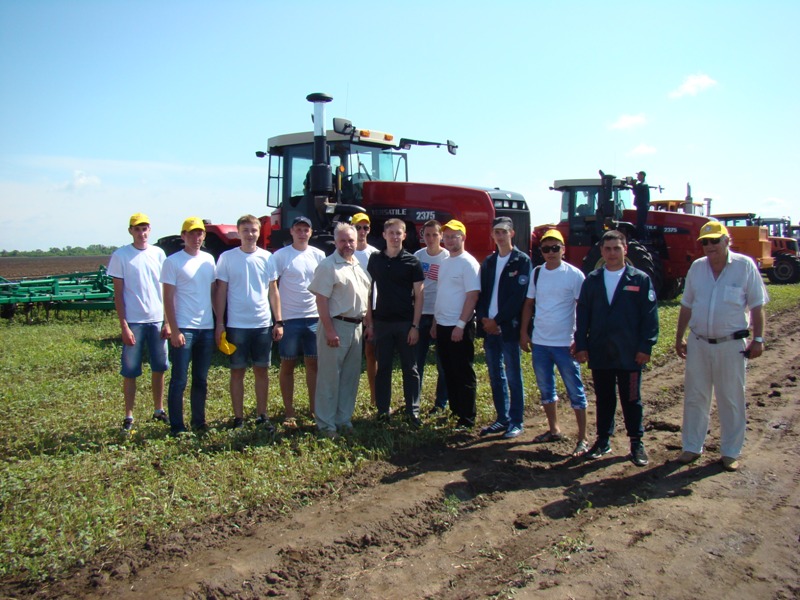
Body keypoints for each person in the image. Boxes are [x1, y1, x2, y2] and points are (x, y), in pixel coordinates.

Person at [675, 222, 768, 471]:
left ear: (727, 240)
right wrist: (678, 337)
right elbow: (687, 305)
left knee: (731, 398)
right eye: (705, 242)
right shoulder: (697, 268)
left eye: (715, 241)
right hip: (699, 343)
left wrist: (758, 339)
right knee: (695, 397)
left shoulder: (744, 266)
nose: (709, 246)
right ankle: (692, 447)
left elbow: (757, 306)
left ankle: (730, 452)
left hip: (731, 345)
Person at [574, 230, 659, 466]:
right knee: (604, 398)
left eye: (616, 248)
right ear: (601, 251)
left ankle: (636, 442)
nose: (612, 253)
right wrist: (581, 344)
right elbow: (583, 316)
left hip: (630, 353)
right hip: (601, 350)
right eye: (607, 249)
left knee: (631, 398)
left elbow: (650, 317)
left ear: (625, 250)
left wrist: (646, 347)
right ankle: (603, 440)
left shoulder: (639, 280)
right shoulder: (592, 280)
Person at [520, 230, 589, 457]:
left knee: (575, 391)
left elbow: (583, 309)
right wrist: (524, 332)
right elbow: (529, 304)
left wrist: (580, 341)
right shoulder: (537, 273)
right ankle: (553, 429)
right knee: (545, 389)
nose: (550, 253)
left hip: (564, 344)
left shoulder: (574, 275)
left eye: (555, 248)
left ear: (563, 249)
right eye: (546, 249)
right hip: (540, 342)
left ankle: (583, 439)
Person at [213, 215, 283, 430]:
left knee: (262, 371)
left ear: (259, 232)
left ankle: (263, 415)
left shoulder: (267, 258)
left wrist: (278, 321)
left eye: (253, 230)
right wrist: (220, 323)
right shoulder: (227, 258)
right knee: (237, 371)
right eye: (246, 230)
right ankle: (238, 417)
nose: (250, 234)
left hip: (262, 324)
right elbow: (221, 291)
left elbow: (273, 291)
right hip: (236, 325)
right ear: (238, 232)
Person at [107, 212, 170, 433]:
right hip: (134, 321)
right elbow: (118, 294)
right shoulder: (121, 256)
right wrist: (123, 326)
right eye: (137, 229)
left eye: (145, 229)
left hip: (156, 321)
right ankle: (129, 415)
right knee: (131, 371)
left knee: (159, 368)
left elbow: (166, 289)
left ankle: (158, 409)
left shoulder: (159, 254)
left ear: (150, 230)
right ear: (130, 231)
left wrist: (167, 321)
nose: (141, 233)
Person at [308, 223, 372, 438]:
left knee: (349, 378)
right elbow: (321, 300)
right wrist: (329, 330)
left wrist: (367, 325)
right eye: (343, 240)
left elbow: (366, 299)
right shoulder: (328, 266)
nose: (347, 244)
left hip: (356, 327)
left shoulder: (358, 265)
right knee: (329, 378)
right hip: (335, 326)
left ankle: (343, 420)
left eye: (351, 240)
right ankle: (326, 425)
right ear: (335, 242)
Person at [476, 216, 532, 439]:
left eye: (504, 232)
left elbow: (518, 298)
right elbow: (480, 294)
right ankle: (502, 418)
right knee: (495, 374)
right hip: (489, 329)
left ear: (512, 233)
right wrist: (484, 320)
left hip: (508, 328)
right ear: (492, 235)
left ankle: (516, 421)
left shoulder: (522, 261)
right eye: (496, 232)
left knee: (513, 374)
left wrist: (497, 321)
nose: (500, 236)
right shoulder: (488, 262)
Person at [160, 217, 216, 435]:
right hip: (184, 328)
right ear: (183, 236)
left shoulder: (209, 260)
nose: (196, 237)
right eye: (191, 233)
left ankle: (199, 421)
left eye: (200, 233)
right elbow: (168, 298)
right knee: (179, 379)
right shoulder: (173, 262)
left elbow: (213, 293)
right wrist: (174, 329)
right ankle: (177, 425)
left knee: (201, 379)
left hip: (206, 328)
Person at [366, 218, 425, 426]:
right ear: (384, 235)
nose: (394, 236)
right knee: (383, 368)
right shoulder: (375, 260)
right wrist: (370, 324)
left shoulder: (412, 262)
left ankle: (413, 411)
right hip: (381, 323)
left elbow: (419, 296)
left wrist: (415, 326)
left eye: (398, 233)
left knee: (411, 369)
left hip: (405, 323)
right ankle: (383, 411)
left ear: (404, 235)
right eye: (391, 233)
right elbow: (368, 292)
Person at [270, 216, 326, 427]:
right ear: (292, 231)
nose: (302, 233)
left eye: (306, 229)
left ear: (310, 232)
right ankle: (289, 411)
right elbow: (273, 288)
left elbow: (323, 286)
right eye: (299, 229)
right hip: (289, 319)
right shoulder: (281, 256)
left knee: (314, 364)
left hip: (313, 317)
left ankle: (314, 409)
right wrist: (278, 320)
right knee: (288, 364)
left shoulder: (319, 255)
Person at [432, 220, 481, 429]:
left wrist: (460, 325)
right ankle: (455, 410)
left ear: (463, 237)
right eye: (447, 236)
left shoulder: (468, 263)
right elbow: (441, 293)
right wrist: (435, 321)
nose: (450, 240)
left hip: (459, 326)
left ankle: (467, 417)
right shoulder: (445, 261)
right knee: (448, 370)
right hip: (442, 324)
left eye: (454, 236)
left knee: (463, 372)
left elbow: (472, 296)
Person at [413, 220, 449, 414]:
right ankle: (414, 402)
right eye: (427, 235)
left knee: (442, 364)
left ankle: (441, 403)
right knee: (417, 362)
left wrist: (437, 319)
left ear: (440, 236)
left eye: (435, 235)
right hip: (420, 315)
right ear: (422, 236)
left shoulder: (447, 258)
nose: (431, 239)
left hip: (440, 316)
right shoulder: (417, 256)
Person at [352, 212, 379, 406]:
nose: (362, 231)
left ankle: (374, 397)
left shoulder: (375, 253)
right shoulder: (345, 251)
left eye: (365, 227)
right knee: (350, 356)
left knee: (371, 353)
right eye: (358, 227)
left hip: (372, 310)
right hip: (350, 311)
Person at [632, 171, 650, 241]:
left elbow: (636, 192)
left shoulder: (643, 185)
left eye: (638, 175)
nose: (637, 177)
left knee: (641, 223)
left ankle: (642, 238)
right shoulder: (642, 185)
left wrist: (634, 184)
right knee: (641, 223)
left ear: (642, 176)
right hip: (642, 206)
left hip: (642, 206)